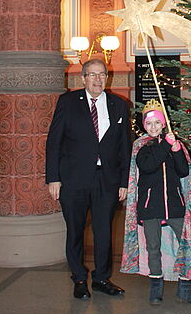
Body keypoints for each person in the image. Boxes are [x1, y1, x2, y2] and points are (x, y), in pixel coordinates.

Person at [46, 58, 131, 300]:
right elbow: (54, 142)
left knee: (104, 232)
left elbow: (125, 147)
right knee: (75, 231)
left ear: (107, 77)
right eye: (92, 75)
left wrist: (124, 181)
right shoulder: (68, 102)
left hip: (107, 180)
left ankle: (102, 278)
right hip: (73, 179)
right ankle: (80, 279)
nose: (97, 79)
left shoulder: (119, 105)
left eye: (102, 74)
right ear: (83, 78)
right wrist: (53, 178)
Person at [120, 99, 191, 306]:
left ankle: (185, 288)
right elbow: (148, 165)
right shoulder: (141, 146)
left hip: (174, 204)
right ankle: (156, 286)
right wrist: (166, 145)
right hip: (150, 206)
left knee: (186, 244)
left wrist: (176, 152)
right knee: (153, 246)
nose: (153, 127)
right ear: (144, 126)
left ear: (164, 124)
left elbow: (183, 171)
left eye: (157, 123)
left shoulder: (174, 143)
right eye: (149, 123)